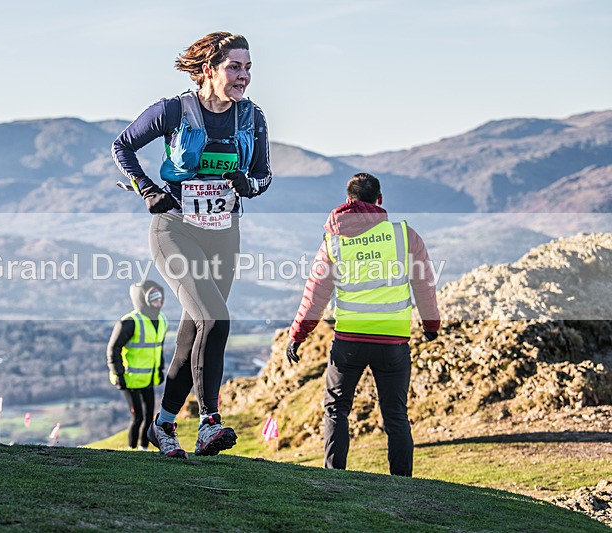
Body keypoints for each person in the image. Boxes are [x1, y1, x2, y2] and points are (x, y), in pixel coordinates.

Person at [112, 32, 272, 458]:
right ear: (208, 70)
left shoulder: (252, 118)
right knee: (216, 319)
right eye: (235, 67)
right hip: (175, 229)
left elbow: (263, 178)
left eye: (248, 68)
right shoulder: (173, 110)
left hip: (224, 231)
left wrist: (246, 183)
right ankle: (208, 423)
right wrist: (147, 188)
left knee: (195, 329)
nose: (244, 76)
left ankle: (162, 426)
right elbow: (122, 145)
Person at [286, 173, 440, 476]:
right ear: (379, 200)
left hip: (349, 343)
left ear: (348, 201)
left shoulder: (334, 240)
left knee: (336, 410)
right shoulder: (404, 235)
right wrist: (431, 325)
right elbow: (425, 284)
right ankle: (402, 483)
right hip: (393, 343)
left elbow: (316, 292)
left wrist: (298, 334)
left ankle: (334, 475)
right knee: (396, 415)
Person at [107, 281, 168, 451]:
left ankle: (143, 449)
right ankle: (131, 450)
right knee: (138, 417)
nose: (158, 302)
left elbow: (158, 348)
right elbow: (113, 348)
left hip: (148, 378)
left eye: (160, 298)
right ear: (143, 300)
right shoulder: (130, 322)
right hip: (129, 379)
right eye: (154, 299)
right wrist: (118, 374)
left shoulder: (161, 320)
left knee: (149, 416)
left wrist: (160, 369)